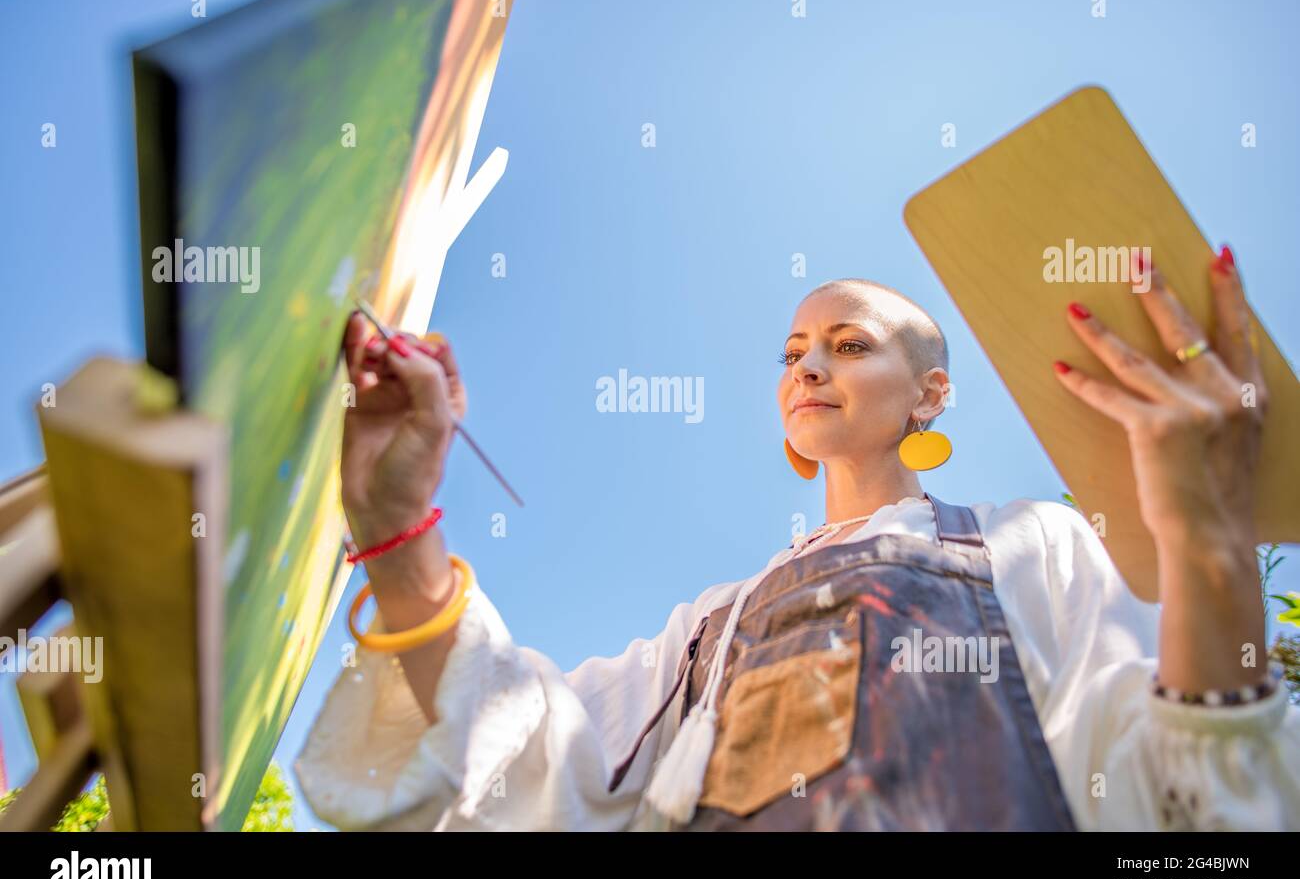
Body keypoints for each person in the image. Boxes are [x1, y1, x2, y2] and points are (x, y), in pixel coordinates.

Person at [295, 251, 1299, 830]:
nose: (809, 365)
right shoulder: (712, 629)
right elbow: (511, 747)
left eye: (850, 345)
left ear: (929, 394)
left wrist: (1206, 538)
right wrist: (395, 529)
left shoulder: (1034, 545)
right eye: (792, 353)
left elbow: (1195, 818)